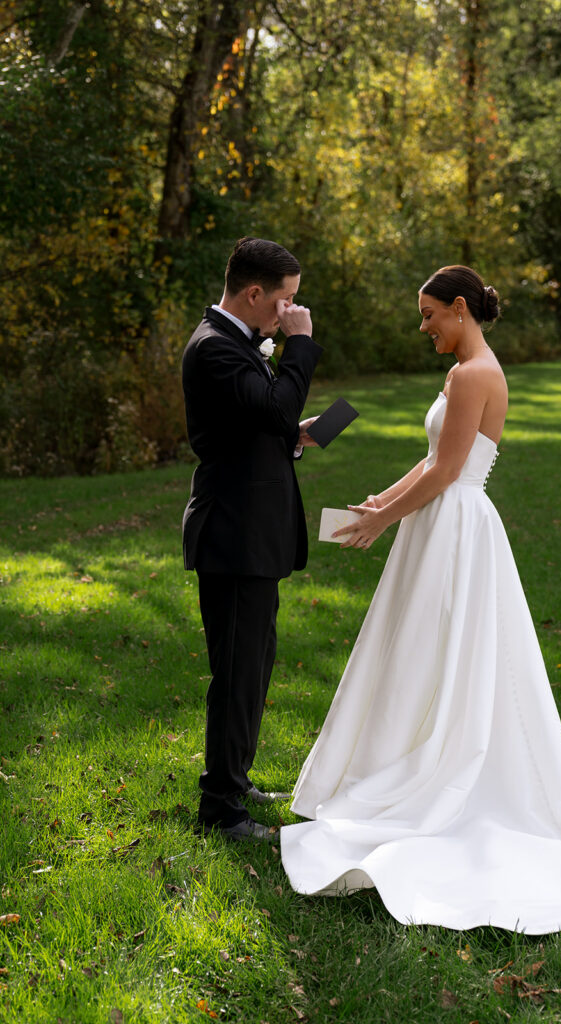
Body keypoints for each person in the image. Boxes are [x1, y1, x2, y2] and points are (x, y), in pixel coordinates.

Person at [280, 265, 561, 934]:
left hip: (456, 526)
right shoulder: (462, 371)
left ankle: (436, 766)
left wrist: (384, 522)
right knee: (417, 648)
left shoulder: (474, 375)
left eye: (429, 314)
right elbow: (435, 454)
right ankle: (402, 754)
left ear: (459, 308)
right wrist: (380, 500)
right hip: (440, 518)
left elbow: (448, 470)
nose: (423, 327)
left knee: (438, 645)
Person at [182, 237, 322, 841]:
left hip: (251, 531)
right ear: (255, 292)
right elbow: (271, 406)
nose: (290, 311)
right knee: (237, 672)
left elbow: (261, 420)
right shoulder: (215, 348)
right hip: (233, 535)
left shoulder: (238, 344)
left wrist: (294, 435)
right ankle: (220, 808)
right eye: (286, 299)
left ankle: (233, 780)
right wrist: (303, 345)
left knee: (254, 665)